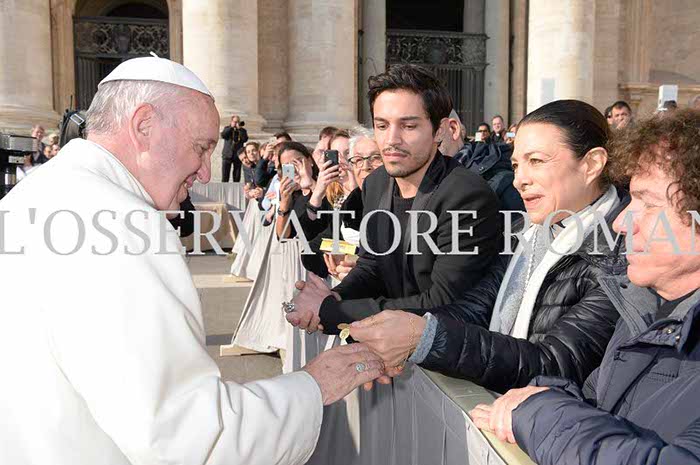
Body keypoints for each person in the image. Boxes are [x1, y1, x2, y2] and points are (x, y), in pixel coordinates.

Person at [0, 56, 385, 465]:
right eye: (200, 148)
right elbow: (186, 436)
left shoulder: (35, 193)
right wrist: (314, 385)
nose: (203, 173)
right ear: (144, 126)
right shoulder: (124, 223)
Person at [350, 99, 627, 393]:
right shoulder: (521, 232)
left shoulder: (621, 258)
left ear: (591, 164)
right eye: (516, 165)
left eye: (536, 161)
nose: (519, 180)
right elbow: (477, 307)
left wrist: (425, 339)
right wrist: (401, 338)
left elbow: (553, 364)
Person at [473, 108, 700, 465]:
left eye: (649, 203)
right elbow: (601, 404)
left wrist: (539, 411)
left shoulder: (619, 285)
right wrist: (547, 395)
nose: (622, 222)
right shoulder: (639, 307)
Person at [286, 64, 502, 335]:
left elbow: (444, 302)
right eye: (381, 125)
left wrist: (331, 311)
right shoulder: (376, 184)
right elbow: (372, 264)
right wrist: (336, 296)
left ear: (439, 131)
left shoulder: (467, 195)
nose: (391, 140)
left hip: (446, 349)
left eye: (408, 126)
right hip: (387, 343)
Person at [220, 115, 248, 182]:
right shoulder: (227, 128)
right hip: (227, 155)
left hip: (237, 155)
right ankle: (224, 188)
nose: (236, 123)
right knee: (225, 176)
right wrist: (231, 127)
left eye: (237, 121)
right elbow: (223, 135)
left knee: (237, 176)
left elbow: (245, 139)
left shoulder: (242, 130)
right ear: (231, 121)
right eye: (235, 121)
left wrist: (240, 129)